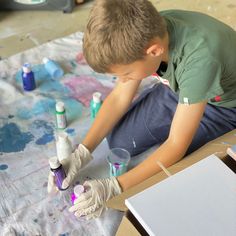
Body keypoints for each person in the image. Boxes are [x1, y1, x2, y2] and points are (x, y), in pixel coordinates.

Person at [48, 0, 236, 219]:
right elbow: (119, 97)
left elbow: (176, 144)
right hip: (184, 87)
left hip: (224, 106)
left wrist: (115, 186)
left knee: (181, 171)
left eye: (126, 75)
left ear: (154, 51)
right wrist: (82, 152)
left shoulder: (201, 58)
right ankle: (176, 93)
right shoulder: (143, 33)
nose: (123, 81)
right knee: (120, 142)